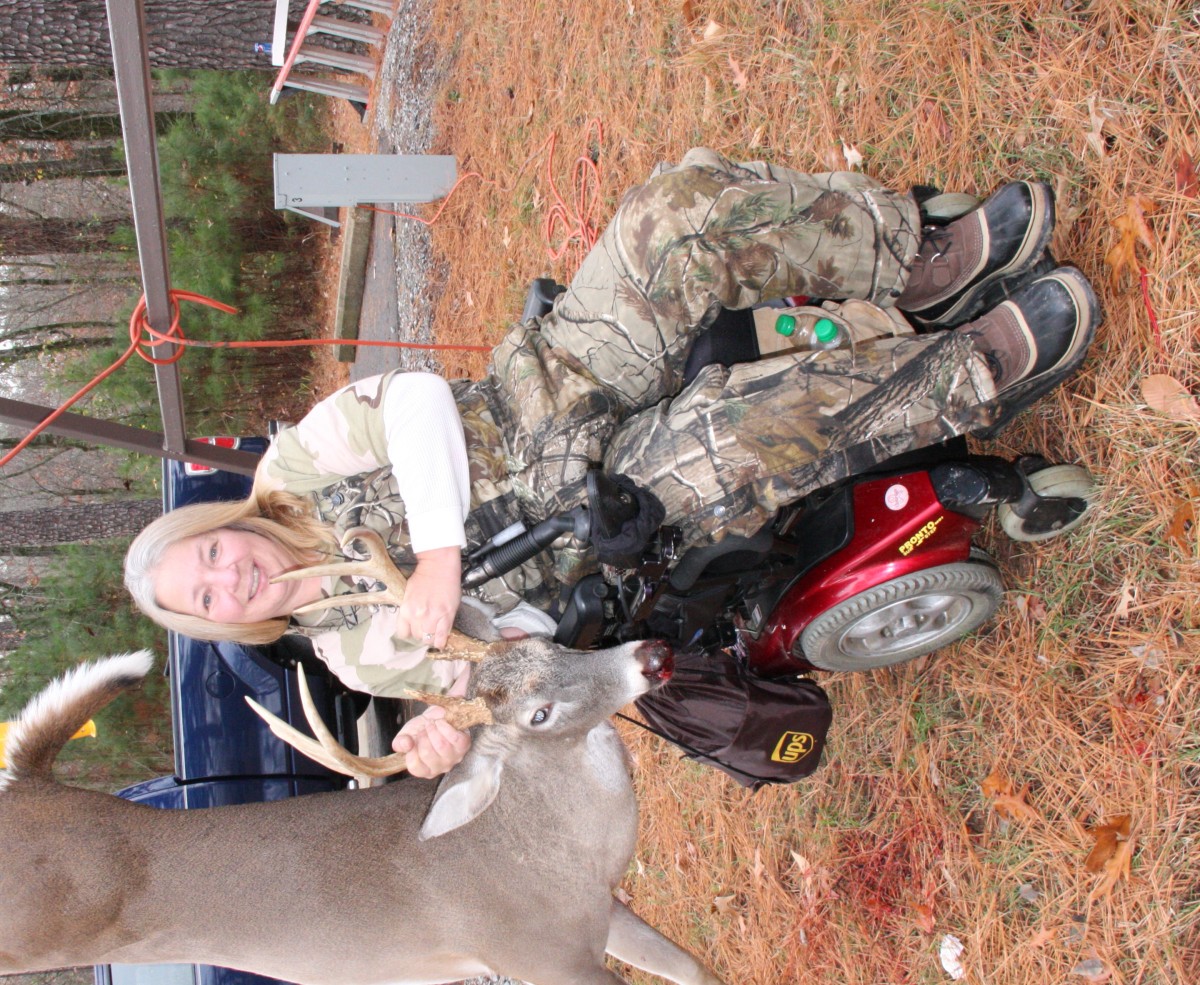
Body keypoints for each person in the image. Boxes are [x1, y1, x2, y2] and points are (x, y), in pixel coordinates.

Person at [125, 149, 1099, 777]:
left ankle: (919, 261)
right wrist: (452, 727)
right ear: (227, 621)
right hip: (602, 512)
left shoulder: (296, 471)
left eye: (205, 556)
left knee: (668, 223)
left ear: (215, 527)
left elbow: (415, 402)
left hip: (551, 385)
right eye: (204, 598)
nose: (226, 576)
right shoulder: (357, 651)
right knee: (723, 440)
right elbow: (517, 661)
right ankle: (974, 366)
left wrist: (435, 552)